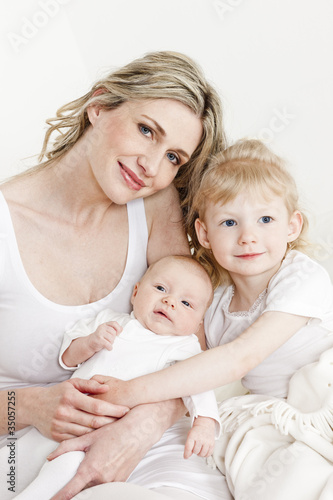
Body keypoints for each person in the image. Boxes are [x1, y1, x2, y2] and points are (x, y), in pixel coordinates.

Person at [0, 50, 226, 500]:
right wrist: (27, 406)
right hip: (21, 450)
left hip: (149, 442)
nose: (151, 167)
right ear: (99, 106)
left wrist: (142, 423)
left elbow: (189, 348)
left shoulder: (154, 207)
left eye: (174, 158)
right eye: (146, 131)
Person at [85, 138, 333, 411]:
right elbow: (189, 364)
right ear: (204, 234)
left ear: (292, 226)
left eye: (265, 220)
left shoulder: (301, 278)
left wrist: (130, 392)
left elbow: (240, 357)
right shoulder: (214, 305)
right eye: (229, 222)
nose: (248, 237)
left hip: (323, 399)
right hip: (274, 412)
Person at [13, 255, 223, 500]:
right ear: (136, 292)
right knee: (19, 457)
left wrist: (205, 423)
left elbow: (197, 381)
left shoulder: (183, 347)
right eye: (161, 288)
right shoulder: (110, 321)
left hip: (103, 436)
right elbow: (68, 358)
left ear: (198, 323)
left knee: (65, 469)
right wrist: (90, 343)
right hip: (64, 415)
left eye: (186, 303)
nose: (170, 301)